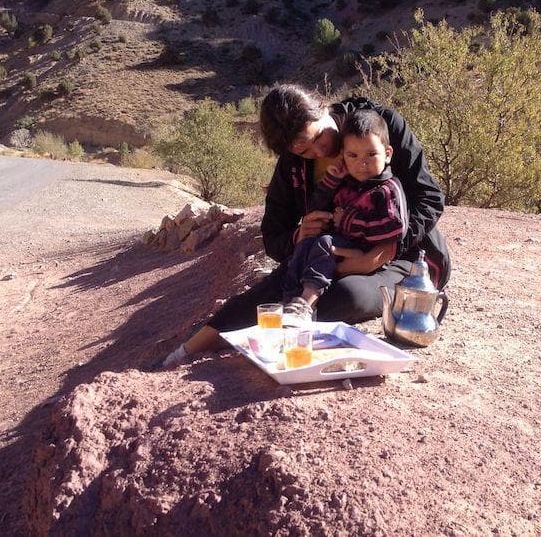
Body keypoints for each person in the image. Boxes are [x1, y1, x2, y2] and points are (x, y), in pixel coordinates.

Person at [160, 84, 450, 367]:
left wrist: (381, 252)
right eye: (305, 151)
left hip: (404, 256)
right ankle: (182, 354)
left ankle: (277, 333)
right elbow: (274, 235)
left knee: (346, 295)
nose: (319, 151)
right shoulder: (292, 165)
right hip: (331, 254)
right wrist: (298, 235)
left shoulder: (377, 126)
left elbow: (429, 198)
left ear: (323, 107)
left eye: (319, 136)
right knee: (266, 295)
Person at [281, 109, 407, 313]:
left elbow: (394, 228)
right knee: (306, 243)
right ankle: (290, 301)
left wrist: (348, 221)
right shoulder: (348, 185)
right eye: (353, 156)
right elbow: (314, 209)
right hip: (343, 245)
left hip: (366, 252)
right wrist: (331, 181)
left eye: (371, 154)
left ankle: (306, 302)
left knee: (324, 243)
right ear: (343, 156)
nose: (362, 163)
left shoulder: (387, 189)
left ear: (387, 154)